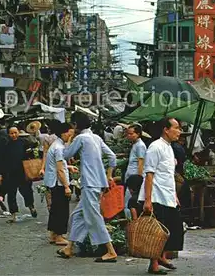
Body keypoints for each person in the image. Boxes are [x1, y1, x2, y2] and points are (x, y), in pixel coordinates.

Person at [57, 111, 118, 263]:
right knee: (77, 216)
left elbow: (65, 154)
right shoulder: (96, 138)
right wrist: (109, 175)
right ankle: (69, 248)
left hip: (90, 183)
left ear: (76, 125)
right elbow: (112, 156)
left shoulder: (81, 138)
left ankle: (111, 251)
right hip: (98, 183)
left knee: (94, 217)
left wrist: (70, 139)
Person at [139, 118, 184, 274]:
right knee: (157, 232)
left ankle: (162, 257)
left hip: (168, 194)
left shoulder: (169, 148)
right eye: (177, 128)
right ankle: (154, 264)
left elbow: (168, 175)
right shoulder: (155, 147)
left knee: (172, 228)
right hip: (157, 195)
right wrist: (147, 199)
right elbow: (149, 174)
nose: (179, 131)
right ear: (166, 129)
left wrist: (174, 196)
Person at [44, 122, 78, 246]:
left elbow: (58, 165)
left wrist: (68, 166)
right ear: (64, 133)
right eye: (70, 134)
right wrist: (67, 186)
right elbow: (59, 169)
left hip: (53, 181)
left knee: (55, 209)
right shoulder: (59, 148)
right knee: (61, 209)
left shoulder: (56, 145)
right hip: (58, 183)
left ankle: (53, 234)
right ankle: (59, 235)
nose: (71, 137)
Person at [2, 127, 37, 223]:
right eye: (11, 133)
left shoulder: (24, 143)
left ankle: (31, 207)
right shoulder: (6, 145)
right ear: (8, 134)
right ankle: (13, 215)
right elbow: (4, 160)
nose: (13, 135)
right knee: (11, 194)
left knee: (27, 191)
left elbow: (31, 154)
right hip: (11, 173)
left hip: (23, 172)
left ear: (18, 133)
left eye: (15, 133)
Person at [124, 123, 147, 218]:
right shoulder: (135, 144)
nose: (129, 136)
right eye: (128, 134)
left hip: (134, 180)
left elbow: (141, 163)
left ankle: (131, 224)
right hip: (131, 177)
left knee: (129, 203)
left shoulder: (140, 146)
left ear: (138, 134)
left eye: (131, 134)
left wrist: (139, 179)